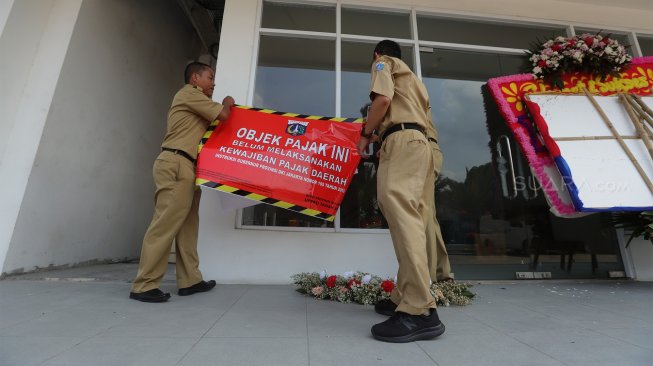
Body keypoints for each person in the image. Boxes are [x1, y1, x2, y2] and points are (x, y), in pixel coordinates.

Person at [357, 40, 445, 342]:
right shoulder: (415, 81)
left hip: (403, 142)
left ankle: (419, 310)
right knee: (415, 221)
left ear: (377, 54)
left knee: (400, 215)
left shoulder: (384, 64)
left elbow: (381, 101)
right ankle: (403, 297)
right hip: (421, 146)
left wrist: (367, 134)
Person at [129, 61, 235, 303]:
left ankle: (190, 281)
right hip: (176, 163)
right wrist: (228, 100)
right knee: (164, 224)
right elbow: (224, 114)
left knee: (188, 227)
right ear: (195, 79)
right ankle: (144, 285)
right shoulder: (189, 94)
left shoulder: (198, 103)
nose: (213, 82)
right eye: (210, 77)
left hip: (189, 167)